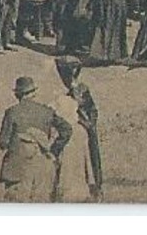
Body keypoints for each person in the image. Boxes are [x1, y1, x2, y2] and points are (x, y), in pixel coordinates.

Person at [0, 75, 72, 203]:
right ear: (34, 93)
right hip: (42, 165)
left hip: (17, 167)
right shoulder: (46, 111)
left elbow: (3, 142)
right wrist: (54, 150)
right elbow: (67, 129)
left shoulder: (12, 112)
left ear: (17, 95)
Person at [52, 57, 103, 202]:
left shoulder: (80, 89)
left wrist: (86, 122)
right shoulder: (75, 89)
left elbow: (89, 110)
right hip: (82, 129)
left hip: (82, 130)